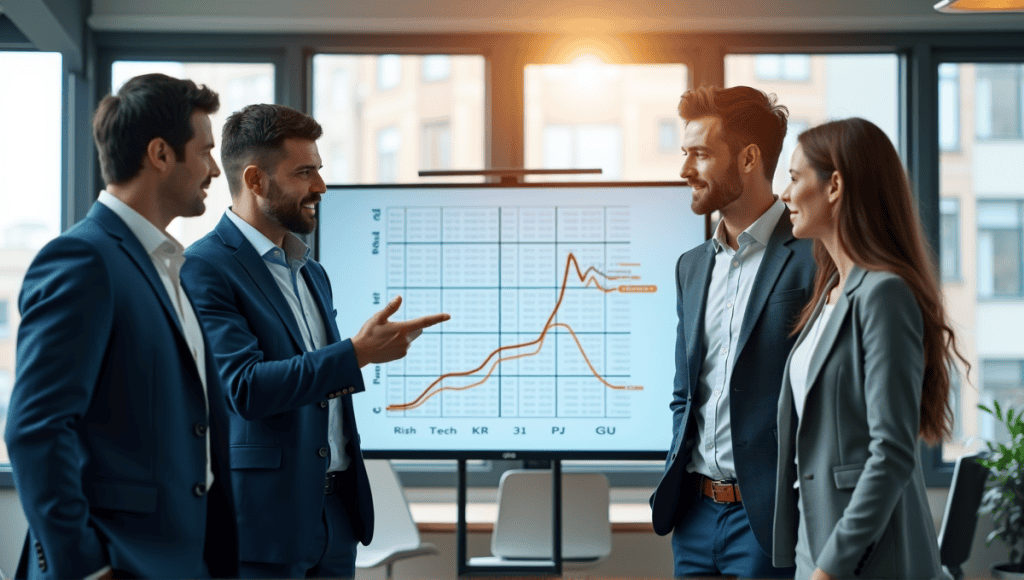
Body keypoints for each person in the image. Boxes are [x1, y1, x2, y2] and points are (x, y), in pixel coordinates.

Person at [179, 103, 450, 578]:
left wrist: (355, 355)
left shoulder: (312, 272)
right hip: (264, 524)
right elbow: (244, 387)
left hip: (335, 517)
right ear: (256, 181)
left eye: (319, 171)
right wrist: (358, 353)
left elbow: (316, 388)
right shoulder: (205, 267)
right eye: (305, 173)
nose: (320, 187)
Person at [3, 73, 238, 578]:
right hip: (117, 562)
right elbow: (36, 428)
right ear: (160, 154)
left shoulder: (167, 266)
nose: (215, 169)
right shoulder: (82, 259)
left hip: (182, 559)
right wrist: (83, 565)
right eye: (205, 151)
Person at [773, 117, 967, 579]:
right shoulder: (829, 295)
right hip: (814, 539)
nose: (784, 194)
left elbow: (893, 452)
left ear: (835, 185)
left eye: (795, 177)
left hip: (868, 554)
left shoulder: (883, 295)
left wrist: (831, 568)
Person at [649, 85, 816, 578]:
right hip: (695, 517)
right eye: (685, 153)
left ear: (747, 158)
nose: (684, 170)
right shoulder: (691, 267)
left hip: (767, 516)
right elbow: (686, 393)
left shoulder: (813, 256)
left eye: (699, 154)